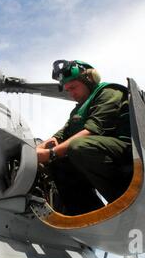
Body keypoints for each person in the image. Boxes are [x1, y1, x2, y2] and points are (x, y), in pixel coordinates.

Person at [36, 60, 133, 216]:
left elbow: (92, 131)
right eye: (68, 90)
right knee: (59, 163)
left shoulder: (109, 92)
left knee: (77, 146)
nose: (71, 94)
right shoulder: (78, 111)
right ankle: (88, 214)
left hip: (124, 159)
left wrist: (50, 154)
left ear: (89, 79)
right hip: (97, 154)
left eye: (73, 87)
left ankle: (122, 202)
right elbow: (61, 135)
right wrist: (35, 150)